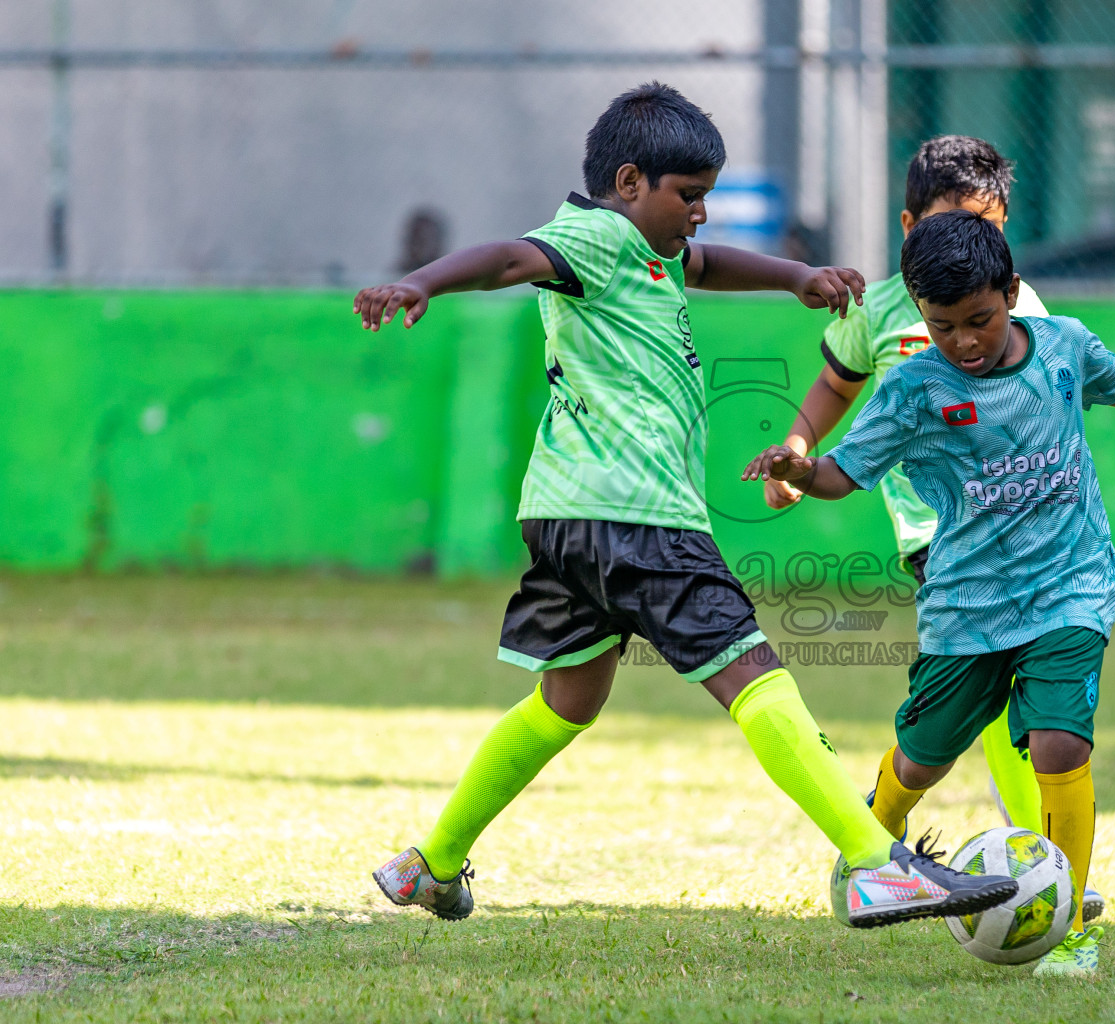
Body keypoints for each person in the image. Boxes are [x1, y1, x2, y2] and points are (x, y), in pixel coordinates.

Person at [351, 83, 1018, 930]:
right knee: (754, 673)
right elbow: (510, 259)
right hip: (640, 516)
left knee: (570, 700)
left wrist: (796, 278)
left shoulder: (648, 252)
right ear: (630, 182)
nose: (700, 216)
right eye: (690, 197)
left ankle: (430, 864)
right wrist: (423, 283)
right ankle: (873, 864)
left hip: (566, 513)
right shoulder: (591, 237)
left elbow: (706, 266)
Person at [742, 209, 1115, 975]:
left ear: (1011, 293)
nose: (965, 342)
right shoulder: (912, 390)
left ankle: (1067, 927)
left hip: (1071, 587)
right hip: (966, 605)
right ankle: (870, 857)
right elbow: (845, 470)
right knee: (921, 759)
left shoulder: (1064, 348)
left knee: (1060, 740)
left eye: (980, 320)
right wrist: (802, 471)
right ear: (920, 316)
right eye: (944, 327)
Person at [762, 135, 1104, 923]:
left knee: (1032, 716)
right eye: (948, 229)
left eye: (987, 231)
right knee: (966, 718)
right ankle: (879, 847)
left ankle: (1046, 881)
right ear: (911, 225)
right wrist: (799, 450)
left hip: (1028, 540)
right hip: (937, 540)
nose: (966, 250)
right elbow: (834, 383)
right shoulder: (879, 308)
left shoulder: (1028, 311)